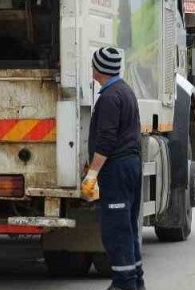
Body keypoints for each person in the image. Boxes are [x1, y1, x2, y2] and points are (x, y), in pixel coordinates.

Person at [83, 46, 145, 290]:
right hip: (130, 166)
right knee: (128, 226)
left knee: (116, 229)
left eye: (94, 65)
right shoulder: (125, 91)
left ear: (99, 69)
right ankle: (135, 280)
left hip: (117, 169)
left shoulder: (110, 98)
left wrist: (92, 174)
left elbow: (106, 141)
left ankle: (124, 283)